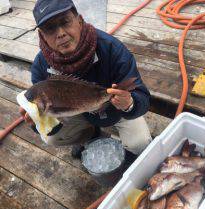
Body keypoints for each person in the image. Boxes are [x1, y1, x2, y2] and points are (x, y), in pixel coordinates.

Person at [20, 0, 152, 159]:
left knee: (141, 143)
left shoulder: (112, 48)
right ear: (42, 36)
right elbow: (50, 123)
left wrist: (129, 104)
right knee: (50, 137)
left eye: (65, 22)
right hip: (76, 113)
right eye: (49, 28)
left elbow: (142, 98)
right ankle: (90, 135)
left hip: (116, 110)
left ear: (80, 21)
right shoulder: (40, 66)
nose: (60, 33)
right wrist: (37, 122)